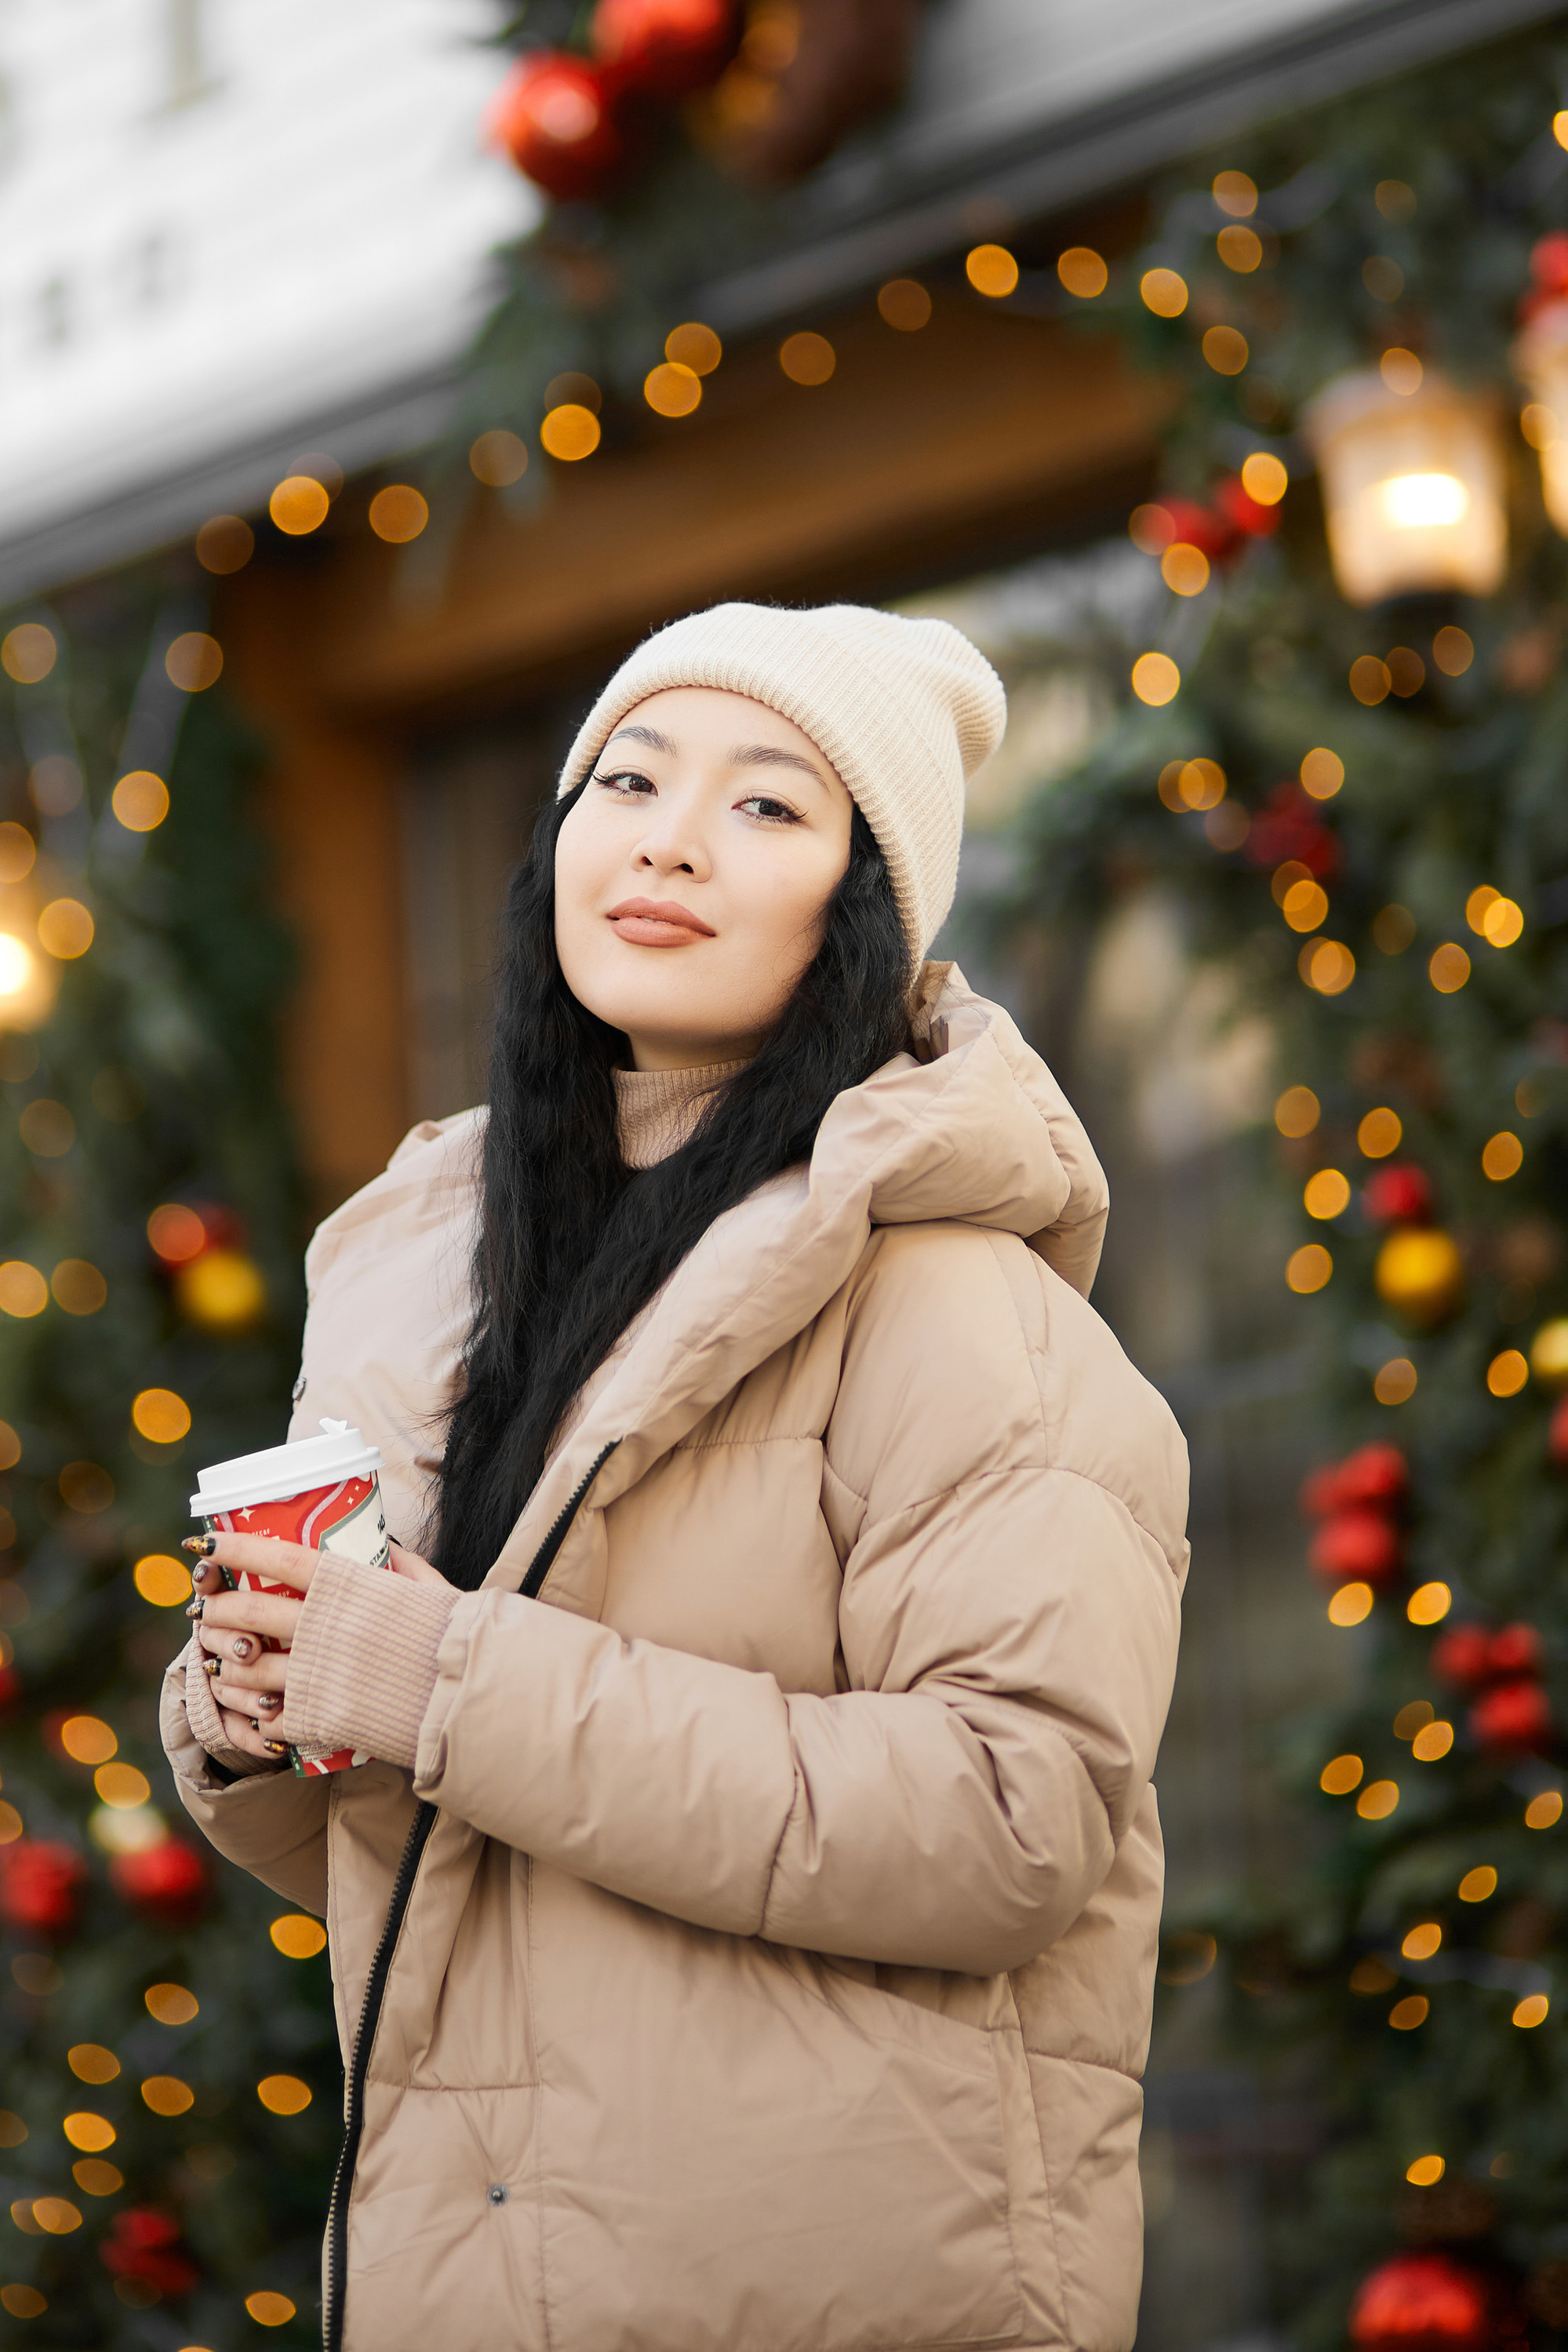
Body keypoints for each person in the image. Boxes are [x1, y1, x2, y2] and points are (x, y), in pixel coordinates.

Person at [161, 599, 1188, 2352]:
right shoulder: (423, 1274)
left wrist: (437, 1675)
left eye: (769, 806)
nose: (667, 836)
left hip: (839, 2293)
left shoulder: (947, 1295)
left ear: (860, 911)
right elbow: (429, 1831)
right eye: (626, 779)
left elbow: (1009, 1825)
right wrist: (255, 1712)